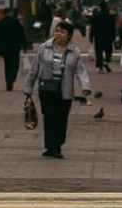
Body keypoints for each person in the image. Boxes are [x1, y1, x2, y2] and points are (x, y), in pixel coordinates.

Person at [23, 21, 91, 159]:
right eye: (57, 31)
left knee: (61, 118)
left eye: (62, 32)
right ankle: (50, 146)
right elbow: (34, 69)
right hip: (47, 89)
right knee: (49, 117)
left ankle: (58, 144)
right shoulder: (44, 48)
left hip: (65, 91)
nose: (59, 34)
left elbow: (80, 71)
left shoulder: (74, 51)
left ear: (69, 35)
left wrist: (85, 87)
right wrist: (28, 87)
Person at [0, 7, 30, 91]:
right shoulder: (16, 23)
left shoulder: (1, 23)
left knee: (7, 65)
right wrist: (24, 46)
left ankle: (8, 81)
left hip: (4, 47)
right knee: (15, 65)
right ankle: (11, 80)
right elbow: (21, 34)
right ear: (10, 13)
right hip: (15, 47)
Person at [90, 1, 117, 73]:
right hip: (108, 36)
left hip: (98, 36)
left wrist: (91, 37)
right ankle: (106, 60)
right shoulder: (110, 16)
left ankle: (100, 67)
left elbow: (93, 27)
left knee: (99, 52)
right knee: (108, 50)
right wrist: (114, 36)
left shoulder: (96, 16)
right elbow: (112, 27)